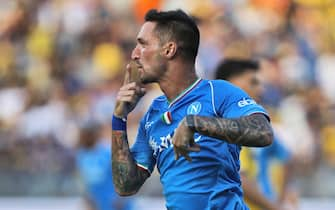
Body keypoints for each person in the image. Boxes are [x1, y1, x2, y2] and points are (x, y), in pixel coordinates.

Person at [111, 9, 273, 210]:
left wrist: (195, 123)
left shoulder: (218, 93)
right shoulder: (153, 114)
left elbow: (263, 132)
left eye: (143, 44)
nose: (134, 54)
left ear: (169, 50)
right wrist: (119, 118)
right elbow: (126, 186)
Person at [215, 59, 294, 210]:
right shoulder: (218, 126)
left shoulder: (257, 126)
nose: (260, 90)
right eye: (253, 82)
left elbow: (287, 159)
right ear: (229, 84)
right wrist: (275, 206)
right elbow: (239, 179)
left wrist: (281, 198)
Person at [76, 122, 134, 210]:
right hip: (98, 202)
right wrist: (88, 198)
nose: (85, 137)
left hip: (116, 202)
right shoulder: (81, 155)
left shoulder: (107, 152)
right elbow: (86, 181)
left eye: (89, 134)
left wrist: (122, 198)